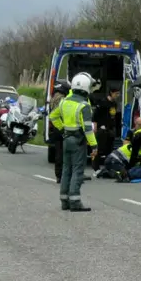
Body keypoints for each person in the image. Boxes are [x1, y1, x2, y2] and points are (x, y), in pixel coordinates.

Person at [49, 72, 97, 212]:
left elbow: (53, 116)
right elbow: (88, 129)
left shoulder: (64, 101)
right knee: (77, 170)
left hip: (66, 139)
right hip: (78, 141)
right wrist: (94, 145)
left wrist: (63, 130)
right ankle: (75, 201)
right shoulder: (84, 106)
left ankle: (64, 201)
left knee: (66, 170)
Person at [90, 88, 120, 172]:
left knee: (109, 150)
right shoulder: (102, 103)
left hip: (110, 129)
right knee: (98, 149)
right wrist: (95, 128)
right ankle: (96, 167)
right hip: (101, 129)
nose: (117, 96)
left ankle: (108, 167)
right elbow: (95, 116)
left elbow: (113, 116)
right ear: (111, 92)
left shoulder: (114, 103)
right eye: (116, 93)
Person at [49, 80, 70, 183]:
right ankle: (64, 174)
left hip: (55, 127)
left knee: (59, 152)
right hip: (62, 126)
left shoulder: (54, 97)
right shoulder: (62, 99)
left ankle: (59, 175)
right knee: (65, 152)